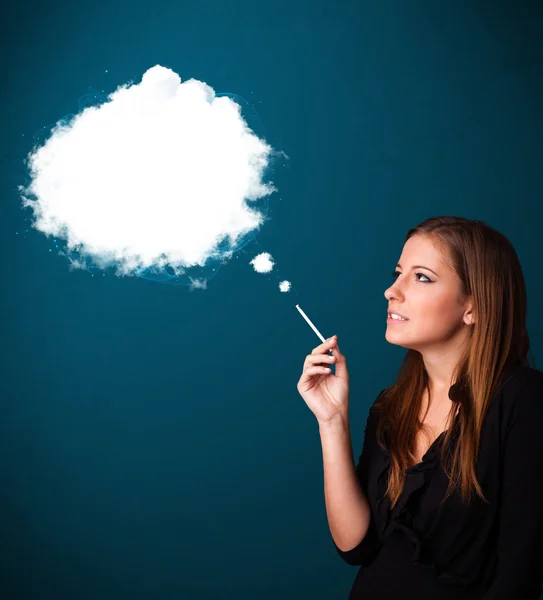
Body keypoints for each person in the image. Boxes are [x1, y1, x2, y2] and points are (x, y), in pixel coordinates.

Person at [297, 216, 543, 599]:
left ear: (473, 306)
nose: (391, 291)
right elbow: (355, 547)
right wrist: (332, 420)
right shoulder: (391, 406)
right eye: (398, 273)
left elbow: (519, 574)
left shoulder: (524, 400)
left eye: (421, 277)